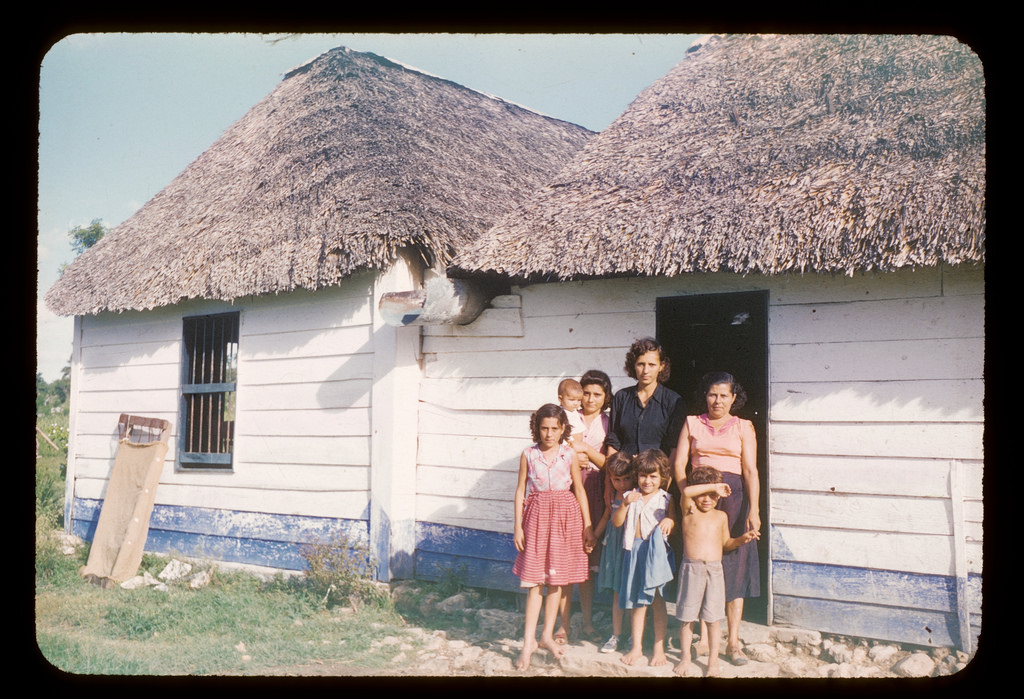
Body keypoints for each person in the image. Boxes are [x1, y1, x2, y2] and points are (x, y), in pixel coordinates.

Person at [672, 371, 761, 666]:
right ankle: (703, 638)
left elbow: (750, 470)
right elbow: (679, 465)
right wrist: (689, 496)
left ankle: (733, 642)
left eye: (724, 395)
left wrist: (754, 509)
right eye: (712, 394)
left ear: (734, 398)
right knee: (699, 565)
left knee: (734, 566)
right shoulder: (692, 423)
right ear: (705, 396)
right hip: (700, 497)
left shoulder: (744, 426)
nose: (717, 400)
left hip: (734, 497)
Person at [513, 403, 595, 671]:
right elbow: (520, 491)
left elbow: (579, 490)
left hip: (565, 518)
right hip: (536, 518)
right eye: (544, 428)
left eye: (554, 428)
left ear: (563, 430)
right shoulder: (529, 454)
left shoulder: (569, 454)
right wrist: (517, 526)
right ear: (537, 428)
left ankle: (547, 634)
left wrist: (588, 525)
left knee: (557, 580)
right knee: (535, 581)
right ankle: (528, 642)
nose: (549, 433)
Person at [673, 466, 761, 677]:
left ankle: (713, 662)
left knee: (713, 618)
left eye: (713, 496)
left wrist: (742, 539)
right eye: (702, 493)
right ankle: (685, 657)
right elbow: (686, 492)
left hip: (714, 571)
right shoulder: (688, 510)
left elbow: (726, 543)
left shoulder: (721, 516)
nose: (707, 499)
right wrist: (714, 486)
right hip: (691, 569)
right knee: (687, 617)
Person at [556, 370, 612, 644]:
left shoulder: (609, 423)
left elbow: (608, 464)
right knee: (564, 558)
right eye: (585, 393)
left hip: (594, 489)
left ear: (605, 397)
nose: (589, 399)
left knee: (587, 559)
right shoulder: (563, 417)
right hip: (566, 488)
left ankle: (587, 622)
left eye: (596, 394)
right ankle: (562, 624)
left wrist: (585, 451)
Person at [612, 449, 676, 667]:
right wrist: (624, 504)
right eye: (643, 475)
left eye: (653, 476)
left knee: (657, 601)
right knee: (638, 601)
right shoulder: (630, 496)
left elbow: (673, 521)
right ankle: (636, 646)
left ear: (663, 477)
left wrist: (669, 521)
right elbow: (617, 523)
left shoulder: (666, 498)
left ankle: (659, 648)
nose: (647, 481)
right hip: (634, 551)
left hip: (655, 555)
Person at [605, 337, 686, 460]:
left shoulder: (673, 401)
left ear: (661, 366)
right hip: (625, 473)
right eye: (641, 364)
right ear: (633, 365)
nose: (645, 370)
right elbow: (614, 441)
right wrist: (609, 476)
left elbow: (675, 447)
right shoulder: (621, 397)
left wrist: (667, 478)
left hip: (657, 474)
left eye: (652, 365)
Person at [595, 451, 635, 654]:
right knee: (618, 592)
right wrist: (594, 536)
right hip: (614, 546)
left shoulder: (636, 494)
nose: (622, 484)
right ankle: (617, 634)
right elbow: (606, 517)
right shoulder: (613, 495)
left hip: (631, 547)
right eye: (617, 479)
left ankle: (633, 635)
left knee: (632, 591)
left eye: (627, 478)